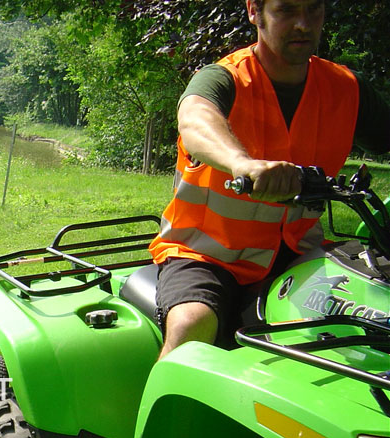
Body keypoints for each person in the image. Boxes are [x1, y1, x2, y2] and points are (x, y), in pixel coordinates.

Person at [149, 0, 390, 360]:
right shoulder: (225, 78)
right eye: (286, 10)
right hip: (206, 255)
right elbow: (195, 119)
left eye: (313, 10)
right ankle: (162, 395)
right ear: (254, 11)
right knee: (191, 325)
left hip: (297, 250)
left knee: (372, 311)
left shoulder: (346, 89)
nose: (302, 24)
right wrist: (241, 164)